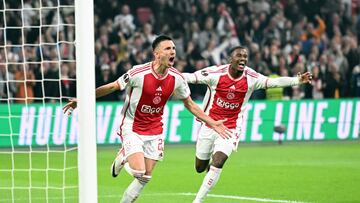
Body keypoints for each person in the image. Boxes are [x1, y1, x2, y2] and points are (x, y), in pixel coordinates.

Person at [63, 35, 231, 203]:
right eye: (167, 49)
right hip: (132, 126)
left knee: (145, 178)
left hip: (155, 130)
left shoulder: (177, 78)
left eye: (173, 48)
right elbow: (113, 86)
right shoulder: (138, 73)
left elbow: (190, 104)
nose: (172, 51)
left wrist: (212, 122)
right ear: (156, 54)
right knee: (138, 171)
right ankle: (123, 155)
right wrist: (84, 99)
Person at [182, 46, 312, 203]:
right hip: (210, 124)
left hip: (230, 127)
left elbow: (273, 82)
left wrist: (297, 80)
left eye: (245, 56)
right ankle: (209, 169)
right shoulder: (216, 73)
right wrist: (166, 74)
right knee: (199, 168)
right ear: (231, 59)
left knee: (218, 162)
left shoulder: (251, 78)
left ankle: (197, 201)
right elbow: (189, 77)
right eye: (239, 55)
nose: (243, 58)